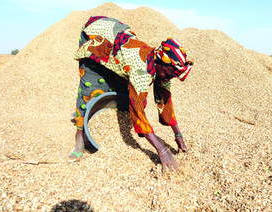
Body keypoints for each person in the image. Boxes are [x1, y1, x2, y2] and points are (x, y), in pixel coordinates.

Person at [69, 16, 193, 172]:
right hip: (95, 35)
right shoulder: (141, 68)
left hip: (117, 42)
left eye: (174, 75)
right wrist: (161, 149)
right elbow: (138, 111)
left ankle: (103, 116)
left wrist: (178, 135)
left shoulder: (163, 70)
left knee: (121, 87)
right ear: (160, 62)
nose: (170, 77)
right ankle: (80, 136)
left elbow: (165, 101)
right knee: (91, 86)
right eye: (170, 73)